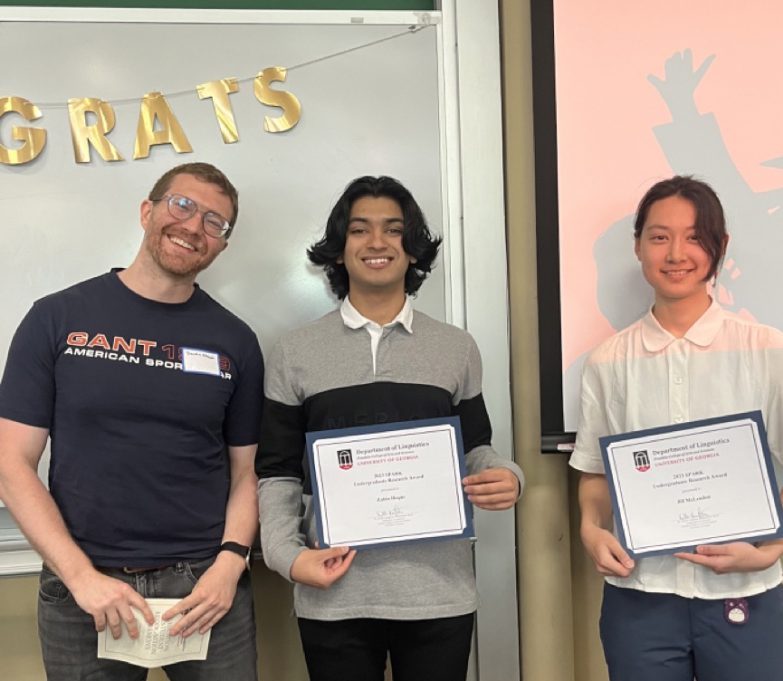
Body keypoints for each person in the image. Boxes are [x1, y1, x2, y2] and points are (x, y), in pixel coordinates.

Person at [0, 162, 264, 681]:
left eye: (216, 222)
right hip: (83, 588)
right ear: (148, 211)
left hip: (204, 588)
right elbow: (12, 464)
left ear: (221, 246)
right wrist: (81, 578)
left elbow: (246, 473)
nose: (194, 227)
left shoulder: (236, 341)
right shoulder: (57, 319)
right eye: (182, 205)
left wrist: (230, 565)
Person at [256, 175, 524, 681]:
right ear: (339, 250)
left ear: (413, 250)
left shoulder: (456, 347)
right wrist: (288, 558)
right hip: (332, 594)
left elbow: (476, 449)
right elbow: (277, 472)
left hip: (438, 594)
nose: (376, 242)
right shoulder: (294, 352)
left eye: (393, 230)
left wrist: (508, 476)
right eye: (359, 230)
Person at [571, 175, 783, 681]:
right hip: (640, 597)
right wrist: (589, 526)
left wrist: (769, 550)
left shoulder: (769, 349)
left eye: (694, 237)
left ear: (720, 248)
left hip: (745, 595)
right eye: (660, 236)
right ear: (639, 246)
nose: (676, 253)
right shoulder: (606, 361)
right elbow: (597, 475)